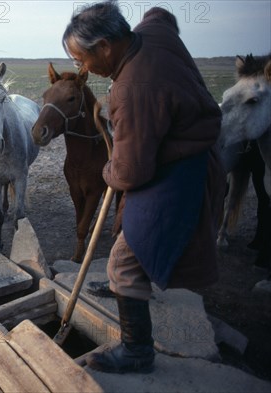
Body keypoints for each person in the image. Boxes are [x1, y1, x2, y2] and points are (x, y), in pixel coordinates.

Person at [61, 1, 225, 373]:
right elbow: (160, 13)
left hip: (179, 173)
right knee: (128, 226)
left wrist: (107, 171)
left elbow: (130, 173)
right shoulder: (152, 33)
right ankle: (129, 292)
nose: (82, 68)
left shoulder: (132, 89)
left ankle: (137, 351)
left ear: (105, 46)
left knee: (122, 260)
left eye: (82, 59)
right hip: (180, 153)